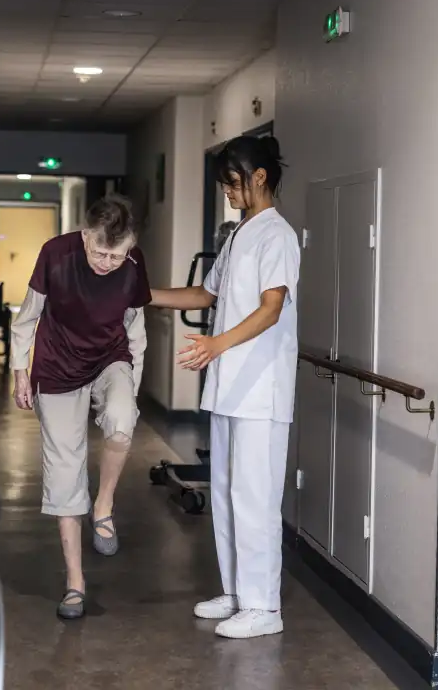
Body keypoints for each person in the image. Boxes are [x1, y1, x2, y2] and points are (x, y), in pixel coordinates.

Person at [150, 135, 300, 640]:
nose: (229, 193)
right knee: (227, 493)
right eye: (224, 185)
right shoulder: (238, 235)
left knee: (255, 497)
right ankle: (238, 593)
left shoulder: (276, 235)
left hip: (262, 389)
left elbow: (271, 306)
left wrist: (217, 345)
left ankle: (265, 607)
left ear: (259, 177)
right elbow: (205, 292)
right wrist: (142, 293)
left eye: (233, 183)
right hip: (231, 389)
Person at [9, 194, 150, 620]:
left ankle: (103, 506)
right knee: (65, 469)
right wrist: (20, 370)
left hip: (110, 357)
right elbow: (28, 316)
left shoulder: (133, 264)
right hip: (56, 364)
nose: (108, 262)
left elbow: (135, 330)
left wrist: (132, 389)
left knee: (123, 422)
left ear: (131, 246)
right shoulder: (56, 253)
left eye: (118, 254)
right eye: (101, 252)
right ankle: (75, 584)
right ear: (85, 236)